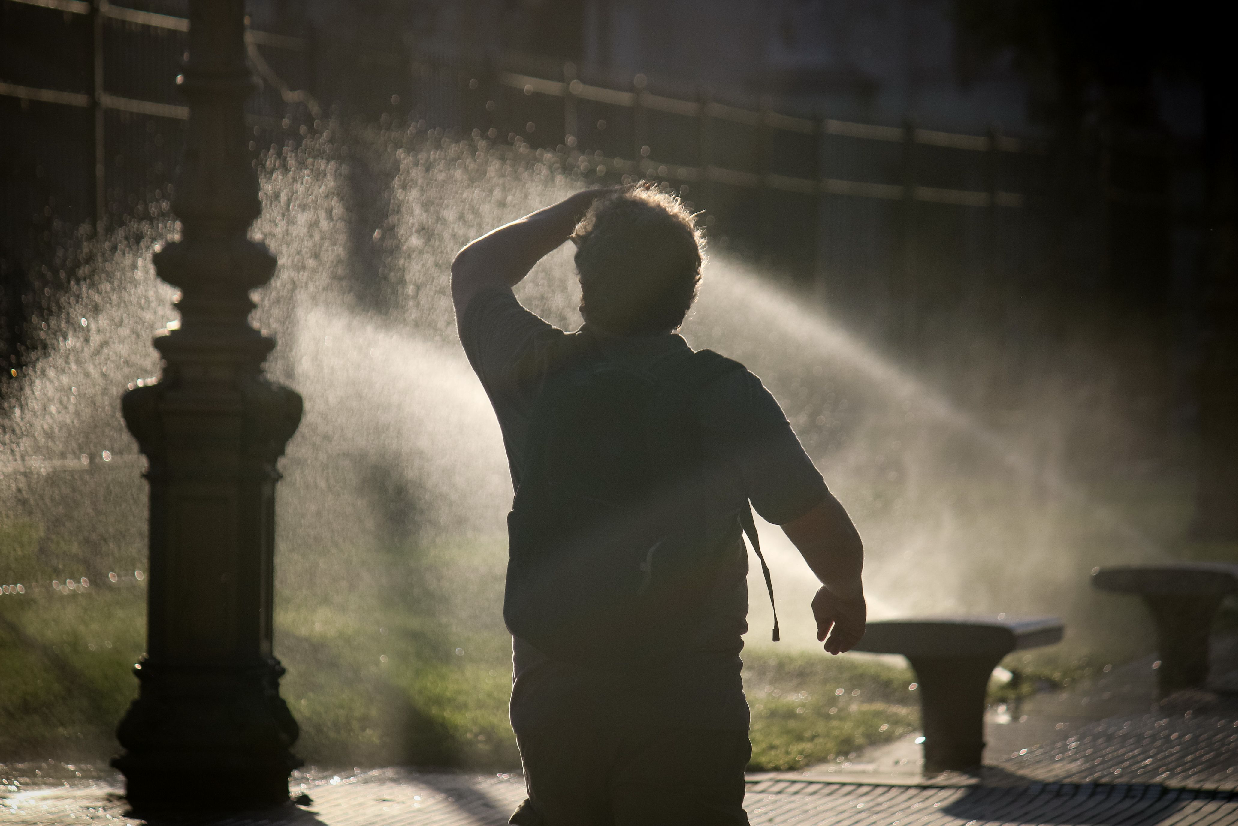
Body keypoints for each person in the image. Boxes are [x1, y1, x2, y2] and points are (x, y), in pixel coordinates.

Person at [452, 184, 866, 826]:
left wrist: (581, 209)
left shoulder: (533, 372)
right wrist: (844, 589)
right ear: (690, 288)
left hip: (558, 691)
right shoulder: (725, 395)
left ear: (585, 284)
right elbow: (829, 540)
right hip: (688, 700)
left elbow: (474, 269)